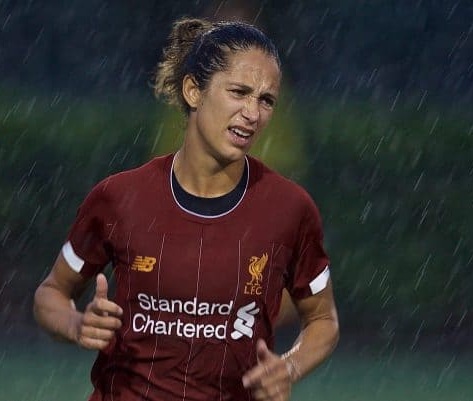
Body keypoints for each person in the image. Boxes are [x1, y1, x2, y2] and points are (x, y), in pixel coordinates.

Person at [34, 18, 339, 401]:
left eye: (266, 100)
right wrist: (77, 325)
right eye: (239, 92)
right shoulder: (119, 197)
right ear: (194, 91)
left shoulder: (290, 209)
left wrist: (289, 368)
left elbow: (323, 319)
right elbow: (50, 294)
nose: (253, 113)